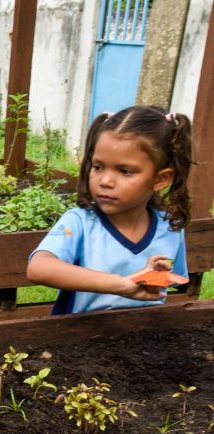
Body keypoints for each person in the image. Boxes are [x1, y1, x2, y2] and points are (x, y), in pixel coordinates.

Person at [27, 106, 193, 315]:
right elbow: (38, 268)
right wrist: (122, 284)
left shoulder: (169, 228)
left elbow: (168, 283)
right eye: (98, 167)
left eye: (125, 171)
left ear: (160, 179)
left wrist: (155, 276)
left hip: (142, 338)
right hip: (78, 340)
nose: (105, 181)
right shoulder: (79, 223)